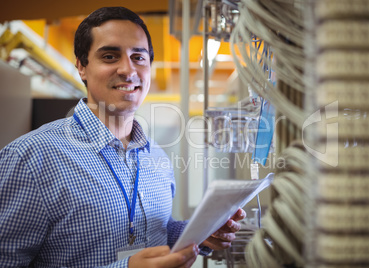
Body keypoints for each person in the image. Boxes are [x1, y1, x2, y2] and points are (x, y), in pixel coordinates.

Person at [0, 6, 246, 268]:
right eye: (109, 56)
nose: (128, 70)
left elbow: (158, 230)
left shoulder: (156, 155)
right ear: (82, 67)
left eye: (138, 57)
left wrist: (199, 234)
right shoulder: (29, 158)